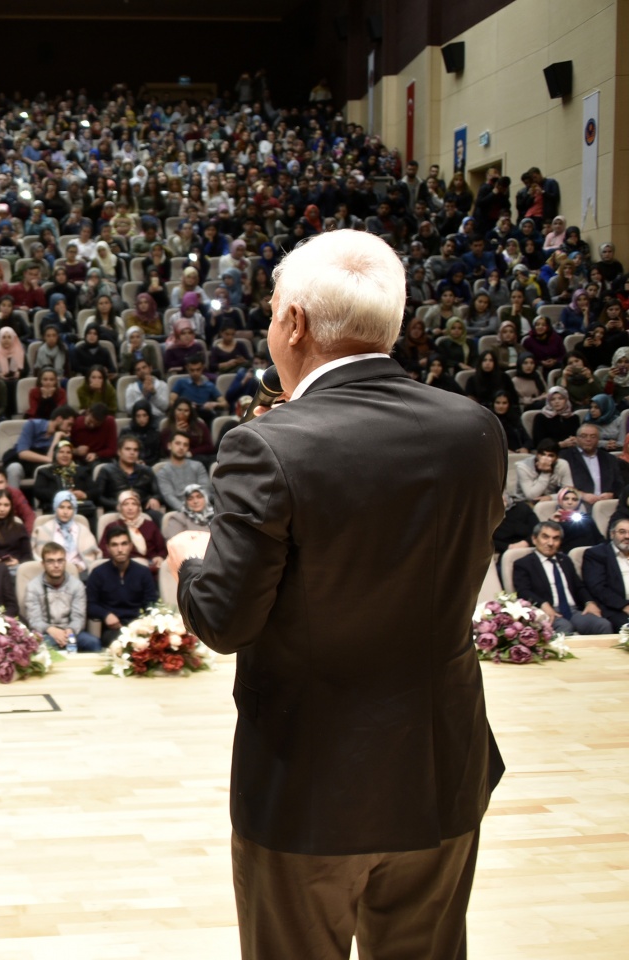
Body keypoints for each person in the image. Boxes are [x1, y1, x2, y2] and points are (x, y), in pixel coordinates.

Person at [177, 230, 505, 960]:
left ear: (293, 322)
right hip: (439, 769)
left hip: (309, 786)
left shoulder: (267, 445)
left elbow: (225, 619)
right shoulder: (475, 430)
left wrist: (188, 560)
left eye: (269, 312)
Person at [512, 521, 612, 635]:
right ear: (534, 539)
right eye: (545, 537)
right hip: (545, 612)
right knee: (565, 627)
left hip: (573, 611)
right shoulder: (524, 563)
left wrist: (589, 602)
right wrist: (543, 604)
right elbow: (523, 591)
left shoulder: (565, 560)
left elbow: (579, 587)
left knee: (603, 625)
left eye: (556, 539)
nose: (550, 543)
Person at [23, 542, 100, 653]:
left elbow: (79, 617)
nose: (56, 565)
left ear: (65, 562)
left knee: (93, 643)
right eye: (50, 561)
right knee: (36, 645)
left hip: (71, 632)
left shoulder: (77, 585)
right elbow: (34, 620)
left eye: (60, 560)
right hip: (46, 633)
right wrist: (52, 630)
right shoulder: (33, 587)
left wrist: (69, 631)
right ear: (43, 564)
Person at [86, 528, 158, 645]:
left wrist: (142, 624)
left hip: (140, 627)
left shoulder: (143, 572)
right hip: (113, 630)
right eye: (114, 545)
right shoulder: (98, 573)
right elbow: (90, 605)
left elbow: (151, 603)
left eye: (124, 544)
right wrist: (106, 614)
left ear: (130, 546)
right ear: (108, 548)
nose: (120, 549)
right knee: (123, 642)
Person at [32, 491, 101, 577]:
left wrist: (81, 565)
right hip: (50, 574)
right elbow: (37, 556)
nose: (65, 512)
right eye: (61, 507)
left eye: (69, 508)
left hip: (80, 574)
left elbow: (91, 555)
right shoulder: (44, 530)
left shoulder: (83, 531)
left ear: (74, 510)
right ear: (55, 508)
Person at [580, 517, 629, 629]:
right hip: (615, 607)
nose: (627, 536)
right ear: (612, 534)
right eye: (622, 532)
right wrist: (625, 605)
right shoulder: (596, 554)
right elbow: (598, 588)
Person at [561, 422, 622, 504]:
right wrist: (581, 495)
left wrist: (612, 494)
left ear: (598, 440)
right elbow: (561, 485)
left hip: (606, 503)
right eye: (584, 436)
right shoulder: (565, 457)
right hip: (577, 503)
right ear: (577, 438)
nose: (588, 439)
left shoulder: (610, 459)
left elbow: (619, 484)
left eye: (593, 436)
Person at [156, 431, 212, 513]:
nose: (181, 447)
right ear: (169, 446)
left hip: (203, 508)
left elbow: (205, 490)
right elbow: (169, 497)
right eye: (178, 443)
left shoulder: (198, 466)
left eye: (185, 445)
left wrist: (199, 507)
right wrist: (188, 511)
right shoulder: (163, 472)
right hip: (180, 512)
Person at [0, 489, 33, 568]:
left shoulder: (20, 528)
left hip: (16, 568)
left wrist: (18, 561)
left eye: (6, 505)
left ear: (11, 507)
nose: (2, 509)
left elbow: (28, 556)